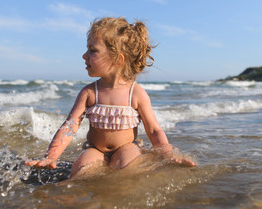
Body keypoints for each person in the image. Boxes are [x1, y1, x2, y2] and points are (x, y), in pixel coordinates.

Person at [25, 17, 196, 179]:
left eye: (92, 50)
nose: (84, 56)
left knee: (127, 168)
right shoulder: (90, 93)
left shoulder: (136, 94)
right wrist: (51, 156)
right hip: (95, 149)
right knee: (80, 170)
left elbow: (154, 131)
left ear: (118, 59)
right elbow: (70, 126)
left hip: (126, 147)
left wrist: (168, 155)